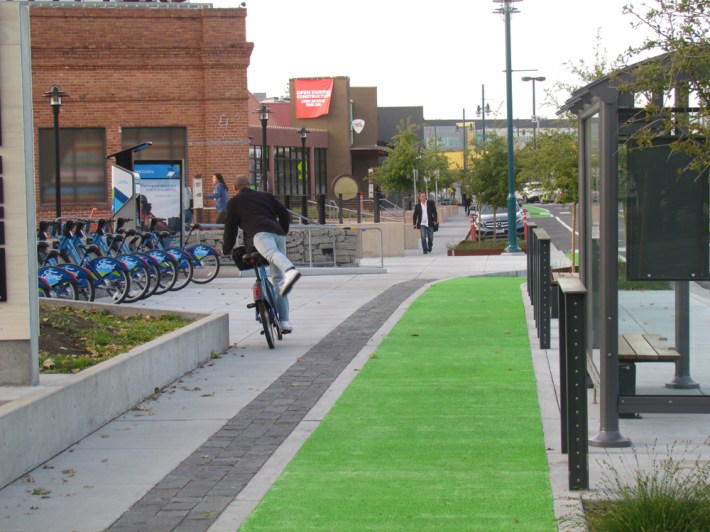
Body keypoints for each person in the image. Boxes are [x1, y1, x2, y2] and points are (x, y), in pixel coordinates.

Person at [222, 174, 301, 333]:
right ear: (250, 184)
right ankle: (285, 321)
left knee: (270, 254)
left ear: (235, 188)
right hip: (277, 233)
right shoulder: (266, 196)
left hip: (259, 235)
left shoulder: (234, 202)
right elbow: (284, 214)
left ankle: (290, 270)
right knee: (278, 280)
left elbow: (230, 228)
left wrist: (226, 248)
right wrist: (283, 231)